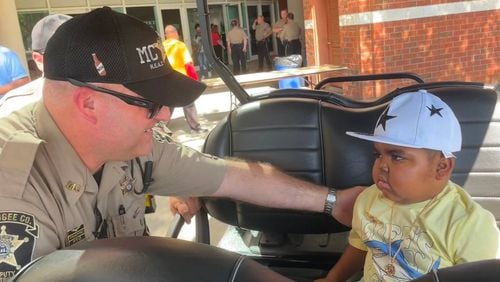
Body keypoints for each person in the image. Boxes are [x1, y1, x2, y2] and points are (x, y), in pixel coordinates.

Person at [0, 7, 363, 279]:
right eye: (150, 104)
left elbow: (234, 177)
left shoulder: (130, 145)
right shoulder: (15, 188)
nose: (164, 116)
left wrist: (333, 202)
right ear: (89, 104)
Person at [318, 90, 500, 282]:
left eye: (396, 157)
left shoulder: (469, 225)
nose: (382, 166)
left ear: (441, 167)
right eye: (378, 155)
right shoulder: (368, 199)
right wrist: (333, 278)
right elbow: (361, 245)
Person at [0, 14, 71, 117]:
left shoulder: (5, 55)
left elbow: (22, 80)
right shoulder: (16, 108)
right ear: (39, 59)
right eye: (62, 53)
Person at [163, 24, 206, 133]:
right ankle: (195, 128)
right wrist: (194, 80)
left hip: (167, 80)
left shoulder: (162, 47)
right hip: (181, 79)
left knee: (168, 105)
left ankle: (161, 129)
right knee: (189, 103)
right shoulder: (180, 45)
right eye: (176, 32)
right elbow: (188, 64)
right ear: (174, 33)